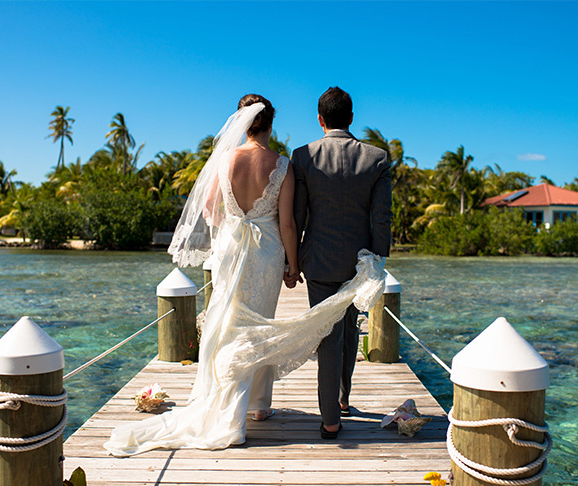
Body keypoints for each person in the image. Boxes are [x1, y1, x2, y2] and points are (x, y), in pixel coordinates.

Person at [104, 94, 385, 456]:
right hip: (266, 253)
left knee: (226, 323)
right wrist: (293, 264)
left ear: (242, 123)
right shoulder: (282, 164)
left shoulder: (223, 160)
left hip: (230, 249)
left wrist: (231, 232)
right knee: (258, 326)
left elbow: (210, 208)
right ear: (271, 124)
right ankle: (256, 405)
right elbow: (287, 222)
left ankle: (226, 400)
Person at [290, 86, 392, 439]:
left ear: (320, 119)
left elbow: (297, 215)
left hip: (317, 259)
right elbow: (381, 218)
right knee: (350, 329)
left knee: (327, 337)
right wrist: (377, 261)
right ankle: (344, 398)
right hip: (360, 261)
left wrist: (293, 260)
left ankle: (331, 418)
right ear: (351, 118)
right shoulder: (377, 158)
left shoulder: (303, 156)